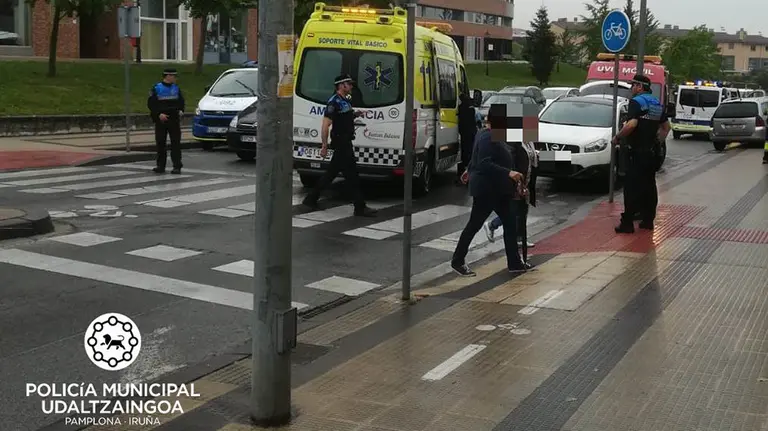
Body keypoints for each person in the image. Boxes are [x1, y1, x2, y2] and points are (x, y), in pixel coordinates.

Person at [451, 104, 528, 277]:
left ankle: (515, 263)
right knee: (474, 225)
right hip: (487, 190)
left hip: (499, 190)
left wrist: (468, 169)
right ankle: (457, 260)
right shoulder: (487, 136)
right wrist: (509, 172)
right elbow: (484, 163)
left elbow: (477, 157)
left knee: (510, 223)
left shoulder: (491, 134)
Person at [302, 74, 377, 217]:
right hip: (341, 143)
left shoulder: (345, 101)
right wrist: (324, 146)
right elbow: (325, 125)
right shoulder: (334, 102)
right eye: (349, 84)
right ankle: (360, 207)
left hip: (346, 141)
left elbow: (344, 117)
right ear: (342, 85)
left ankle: (311, 199)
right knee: (352, 176)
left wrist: (357, 114)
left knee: (332, 174)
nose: (351, 86)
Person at [611, 74, 669, 233]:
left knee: (631, 187)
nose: (632, 88)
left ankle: (627, 223)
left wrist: (617, 137)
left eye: (633, 85)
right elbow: (666, 128)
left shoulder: (636, 102)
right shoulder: (656, 103)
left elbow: (631, 125)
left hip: (636, 153)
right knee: (649, 186)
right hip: (651, 154)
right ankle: (648, 220)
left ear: (640, 87)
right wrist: (657, 142)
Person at [483, 141, 538, 254]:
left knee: (522, 211)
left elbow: (532, 159)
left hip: (526, 182)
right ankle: (492, 225)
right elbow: (511, 162)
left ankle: (520, 238)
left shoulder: (530, 143)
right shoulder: (515, 143)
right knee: (514, 212)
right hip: (516, 183)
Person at [147, 68, 185, 174]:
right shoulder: (156, 88)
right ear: (167, 76)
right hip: (161, 120)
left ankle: (177, 166)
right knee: (160, 143)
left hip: (174, 119)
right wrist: (158, 114)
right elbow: (151, 104)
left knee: (175, 143)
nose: (175, 78)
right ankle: (160, 166)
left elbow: (181, 101)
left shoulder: (176, 88)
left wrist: (181, 110)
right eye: (173, 76)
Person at [456, 92, 477, 185]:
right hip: (471, 132)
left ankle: (464, 171)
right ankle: (468, 169)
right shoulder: (471, 108)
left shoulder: (461, 108)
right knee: (470, 150)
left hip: (465, 132)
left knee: (465, 151)